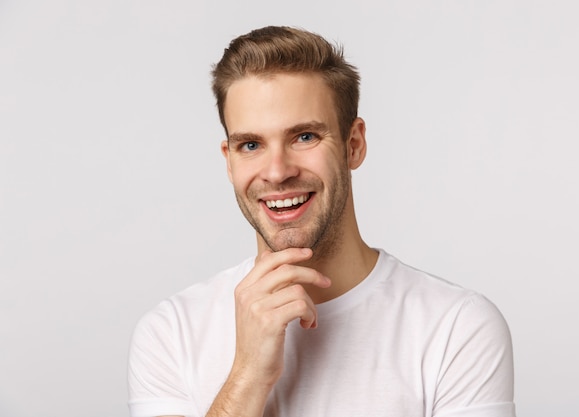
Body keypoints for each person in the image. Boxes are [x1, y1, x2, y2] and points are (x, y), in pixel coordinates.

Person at [127, 26, 516, 417]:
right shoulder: (170, 333)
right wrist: (248, 376)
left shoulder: (456, 327)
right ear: (229, 160)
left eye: (305, 137)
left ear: (354, 145)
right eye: (251, 145)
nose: (277, 172)